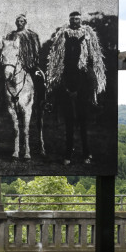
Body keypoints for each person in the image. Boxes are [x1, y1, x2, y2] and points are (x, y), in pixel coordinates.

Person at [46, 11, 106, 164]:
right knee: (55, 81)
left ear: (81, 20)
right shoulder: (63, 33)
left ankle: (94, 99)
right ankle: (50, 102)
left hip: (84, 64)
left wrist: (89, 63)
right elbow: (56, 52)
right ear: (69, 20)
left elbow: (94, 51)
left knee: (92, 77)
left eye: (77, 19)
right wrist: (59, 65)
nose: (75, 22)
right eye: (73, 19)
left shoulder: (87, 32)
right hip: (67, 65)